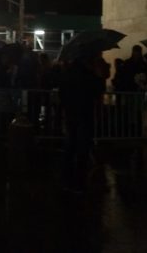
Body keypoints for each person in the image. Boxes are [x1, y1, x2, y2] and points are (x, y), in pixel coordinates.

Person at [60, 52, 106, 192]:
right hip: (85, 113)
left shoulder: (68, 73)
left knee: (70, 146)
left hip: (71, 112)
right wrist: (99, 76)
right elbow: (97, 91)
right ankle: (79, 181)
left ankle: (67, 180)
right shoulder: (88, 75)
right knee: (82, 148)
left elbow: (62, 93)